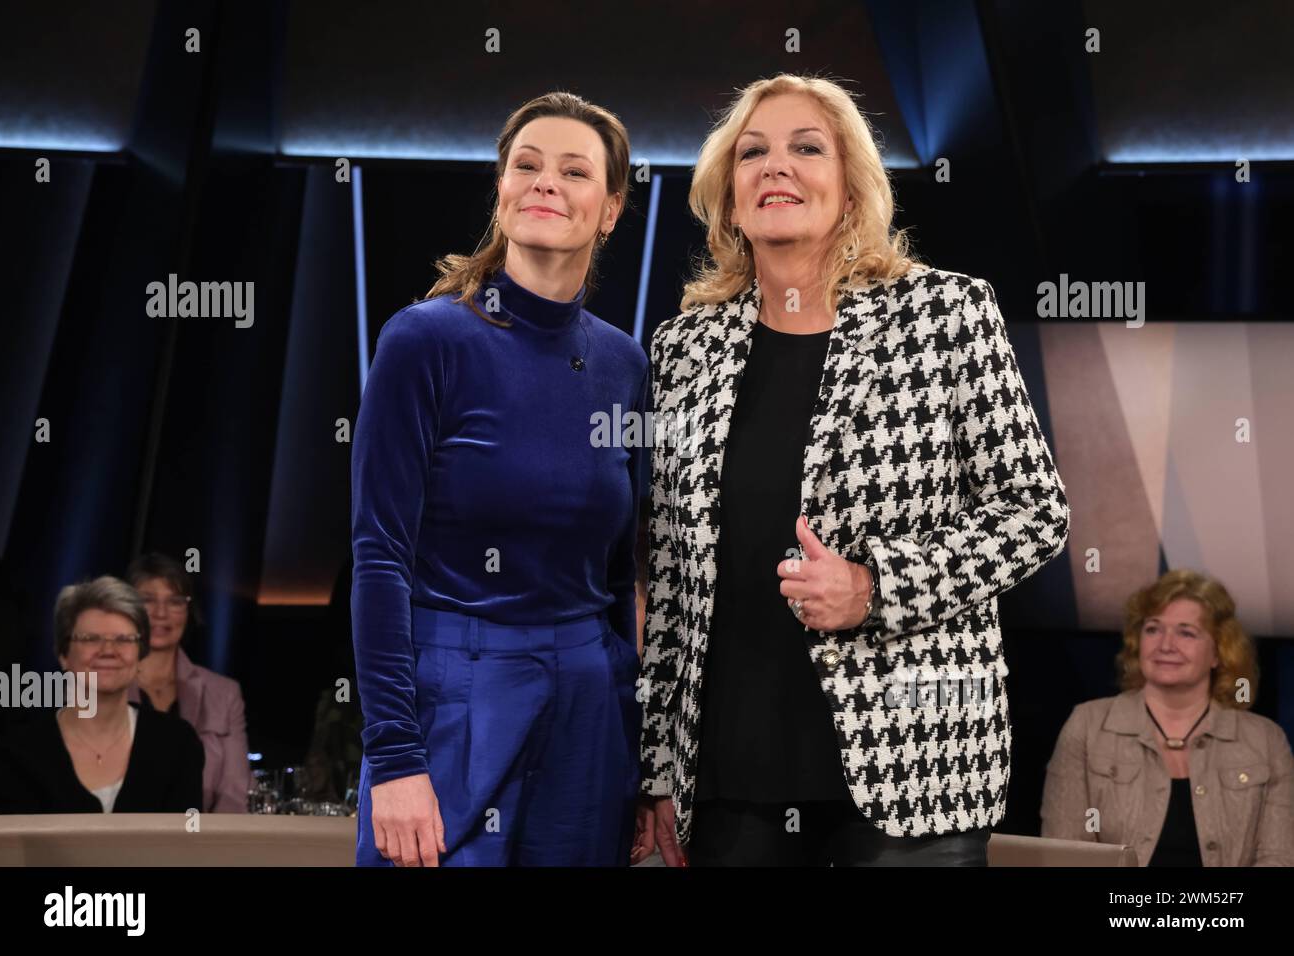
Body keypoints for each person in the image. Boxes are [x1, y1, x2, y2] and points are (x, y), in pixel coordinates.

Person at [633, 73, 1070, 866]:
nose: (776, 167)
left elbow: (1034, 513)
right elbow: (669, 579)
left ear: (851, 188)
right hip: (730, 775)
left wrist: (875, 588)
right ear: (728, 198)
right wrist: (660, 768)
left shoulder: (948, 315)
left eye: (807, 148)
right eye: (752, 153)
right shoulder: (682, 349)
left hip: (915, 766)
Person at [351, 91, 648, 866]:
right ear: (502, 189)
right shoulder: (425, 340)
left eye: (574, 170)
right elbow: (378, 558)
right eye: (528, 165)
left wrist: (645, 761)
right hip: (455, 697)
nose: (546, 182)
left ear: (610, 209)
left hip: (590, 706)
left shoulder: (624, 363)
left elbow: (621, 579)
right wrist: (395, 759)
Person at [1041, 569, 1294, 866]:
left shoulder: (1265, 741)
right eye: (1153, 629)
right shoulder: (1086, 725)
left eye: (1186, 632)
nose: (1165, 645)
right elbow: (1063, 855)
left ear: (1219, 652)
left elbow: (1278, 859)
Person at [0, 576, 203, 814]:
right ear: (63, 655)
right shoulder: (18, 749)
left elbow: (187, 843)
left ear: (140, 656)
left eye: (124, 640)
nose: (108, 651)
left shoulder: (178, 744)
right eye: (91, 639)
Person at [124, 552, 249, 813]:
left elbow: (235, 795)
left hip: (202, 843)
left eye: (175, 601)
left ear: (189, 610)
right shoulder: (101, 684)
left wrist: (205, 849)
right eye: (147, 600)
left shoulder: (224, 693)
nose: (160, 613)